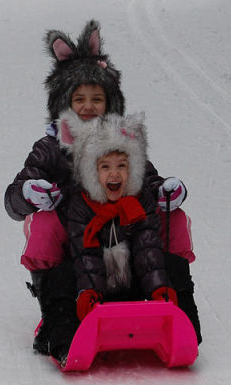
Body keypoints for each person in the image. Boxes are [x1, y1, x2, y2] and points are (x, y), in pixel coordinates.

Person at [4, 20, 195, 363]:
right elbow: (14, 198)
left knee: (174, 218)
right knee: (44, 223)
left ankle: (174, 304)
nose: (89, 106)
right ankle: (57, 312)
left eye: (98, 98)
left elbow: (146, 179)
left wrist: (166, 192)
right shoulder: (50, 147)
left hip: (125, 235)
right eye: (79, 99)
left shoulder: (123, 142)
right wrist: (30, 193)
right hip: (75, 244)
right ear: (64, 103)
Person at [59, 109, 202, 342]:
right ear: (92, 172)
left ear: (133, 168)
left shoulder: (139, 200)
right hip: (96, 290)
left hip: (135, 282)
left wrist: (159, 289)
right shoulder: (81, 204)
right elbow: (85, 253)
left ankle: (184, 335)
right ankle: (64, 343)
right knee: (61, 277)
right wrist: (90, 294)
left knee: (174, 267)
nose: (114, 174)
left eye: (122, 166)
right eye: (105, 167)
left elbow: (148, 248)